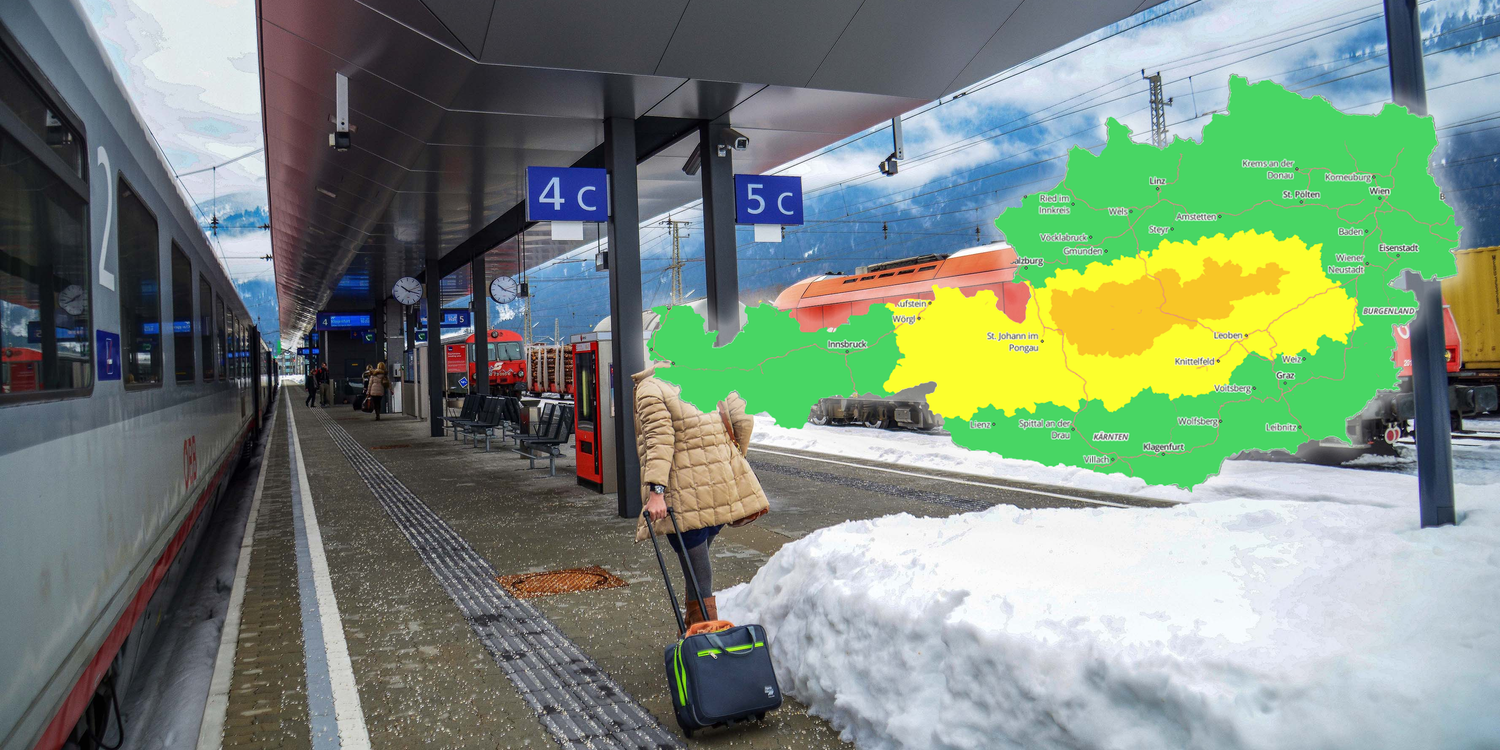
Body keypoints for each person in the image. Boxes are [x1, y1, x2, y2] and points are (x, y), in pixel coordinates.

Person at [633, 364, 769, 628]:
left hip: (683, 498)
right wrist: (732, 459)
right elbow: (743, 419)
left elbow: (659, 441)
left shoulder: (651, 387)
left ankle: (707, 638)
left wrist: (656, 492)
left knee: (699, 576)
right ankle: (693, 632)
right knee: (695, 570)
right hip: (721, 490)